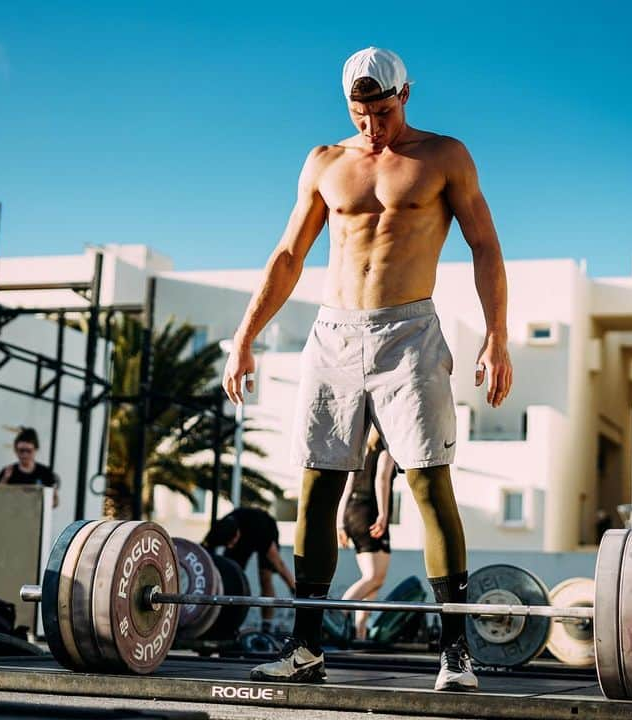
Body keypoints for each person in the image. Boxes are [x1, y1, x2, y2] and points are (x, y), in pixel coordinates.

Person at [222, 46, 512, 691]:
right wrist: (244, 337)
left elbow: (485, 245)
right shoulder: (326, 162)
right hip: (333, 333)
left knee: (429, 482)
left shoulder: (444, 156)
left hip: (408, 331)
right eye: (359, 112)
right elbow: (288, 254)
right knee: (317, 486)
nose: (371, 125)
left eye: (381, 110)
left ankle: (455, 655)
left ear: (405, 93)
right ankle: (305, 649)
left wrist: (497, 336)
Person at [336, 426, 396, 641]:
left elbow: (348, 486)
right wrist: (383, 514)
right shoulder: (386, 449)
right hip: (369, 513)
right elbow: (382, 479)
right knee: (373, 577)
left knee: (374, 579)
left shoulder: (361, 451)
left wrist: (340, 523)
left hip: (353, 514)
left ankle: (360, 632)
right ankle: (334, 616)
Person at [202, 508, 297, 628]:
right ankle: (227, 622)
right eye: (227, 544)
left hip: (263, 527)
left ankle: (267, 624)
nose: (230, 546)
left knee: (265, 576)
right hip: (241, 539)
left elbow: (279, 564)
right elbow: (202, 556)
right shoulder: (218, 531)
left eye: (232, 542)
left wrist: (293, 589)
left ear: (237, 534)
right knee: (231, 575)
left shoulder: (260, 528)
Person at [0, 427, 59, 508]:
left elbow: (55, 501)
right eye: (21, 451)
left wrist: (42, 505)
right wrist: (5, 479)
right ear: (16, 450)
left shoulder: (45, 472)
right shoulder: (7, 471)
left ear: (36, 450)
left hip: (36, 517)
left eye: (29, 451)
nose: (25, 455)